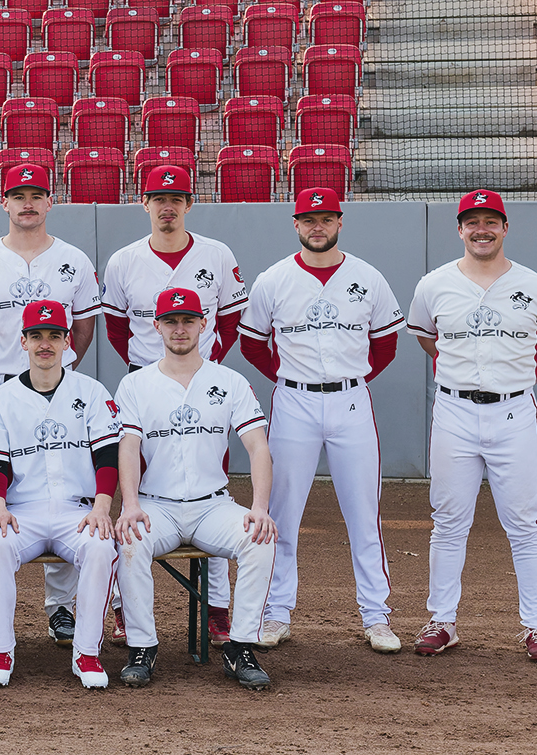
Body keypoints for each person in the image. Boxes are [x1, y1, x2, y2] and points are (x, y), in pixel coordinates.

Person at [406, 190, 537, 663]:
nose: (481, 229)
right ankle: (442, 619)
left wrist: (514, 366)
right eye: (472, 221)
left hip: (513, 411)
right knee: (448, 521)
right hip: (455, 411)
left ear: (505, 228)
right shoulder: (434, 284)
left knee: (524, 523)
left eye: (491, 221)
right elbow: (426, 338)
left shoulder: (535, 285)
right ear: (459, 229)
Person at [238, 188, 405, 653]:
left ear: (340, 221)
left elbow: (386, 343)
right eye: (309, 219)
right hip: (295, 403)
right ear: (296, 224)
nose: (318, 226)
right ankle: (275, 613)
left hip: (351, 402)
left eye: (326, 218)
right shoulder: (273, 279)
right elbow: (252, 342)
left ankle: (376, 617)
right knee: (281, 514)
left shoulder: (366, 277)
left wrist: (353, 378)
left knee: (363, 515)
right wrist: (288, 379)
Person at [0, 162, 105, 648]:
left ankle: (59, 607)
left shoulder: (74, 260)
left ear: (49, 201)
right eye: (18, 195)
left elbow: (83, 326)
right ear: (5, 202)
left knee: (61, 489)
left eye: (36, 194)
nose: (27, 203)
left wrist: (60, 366)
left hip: (60, 386)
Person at [99, 165, 250, 643]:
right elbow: (118, 330)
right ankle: (125, 608)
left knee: (212, 489)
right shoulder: (123, 260)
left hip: (205, 386)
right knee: (133, 490)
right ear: (143, 203)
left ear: (190, 203)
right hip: (144, 385)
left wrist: (203, 371)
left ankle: (219, 611)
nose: (168, 206)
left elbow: (230, 320)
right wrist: (151, 374)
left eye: (177, 197)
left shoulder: (216, 254)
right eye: (159, 198)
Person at [113, 288, 277, 691]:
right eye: (171, 321)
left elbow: (258, 446)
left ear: (204, 324)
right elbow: (128, 447)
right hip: (157, 505)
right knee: (130, 539)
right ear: (157, 326)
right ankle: (142, 646)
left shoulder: (230, 381)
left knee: (260, 538)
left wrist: (259, 507)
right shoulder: (136, 384)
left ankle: (240, 647)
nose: (180, 328)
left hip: (212, 506)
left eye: (188, 320)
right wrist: (130, 503)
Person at [0, 300, 122, 690]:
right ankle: (0, 650)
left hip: (78, 510)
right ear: (22, 342)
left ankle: (87, 652)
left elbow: (107, 456)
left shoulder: (91, 391)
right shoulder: (3, 398)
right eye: (37, 335)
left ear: (67, 342)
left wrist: (103, 508)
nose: (45, 343)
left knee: (100, 547)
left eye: (54, 335)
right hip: (22, 509)